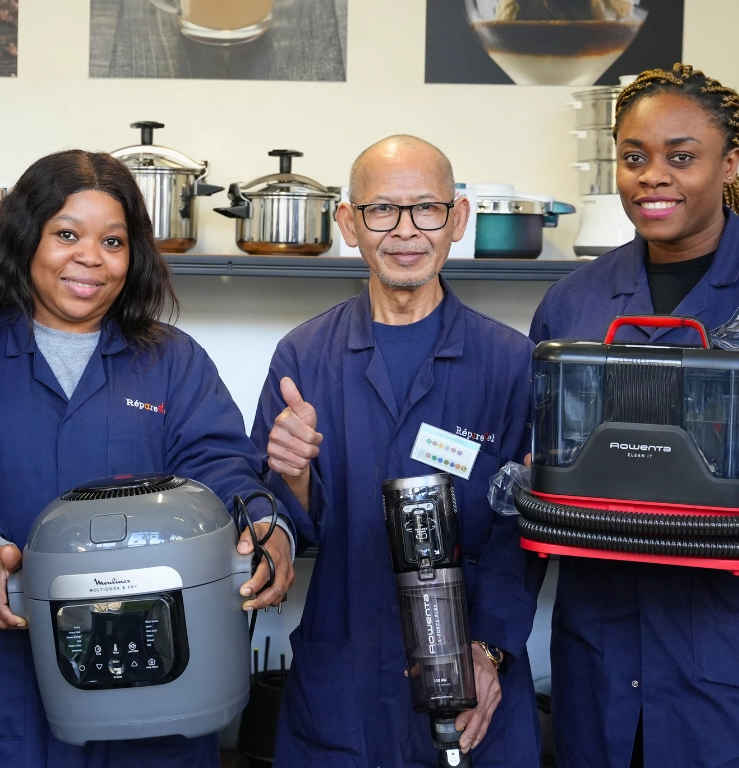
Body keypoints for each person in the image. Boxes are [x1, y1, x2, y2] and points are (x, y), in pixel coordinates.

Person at [0, 149, 295, 768]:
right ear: (26, 240)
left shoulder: (172, 361)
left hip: (154, 665)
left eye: (113, 241)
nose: (91, 258)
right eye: (67, 235)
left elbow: (219, 464)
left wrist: (264, 523)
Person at [529, 64, 739, 767]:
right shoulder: (572, 303)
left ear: (729, 162)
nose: (653, 176)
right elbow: (549, 450)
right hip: (604, 660)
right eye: (634, 157)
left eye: (681, 157)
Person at [253, 135, 543, 766]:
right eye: (382, 209)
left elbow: (523, 529)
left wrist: (488, 649)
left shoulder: (509, 362)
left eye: (427, 208)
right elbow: (283, 528)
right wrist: (291, 475)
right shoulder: (304, 357)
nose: (406, 230)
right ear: (348, 223)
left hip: (472, 671)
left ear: (458, 218)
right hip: (344, 672)